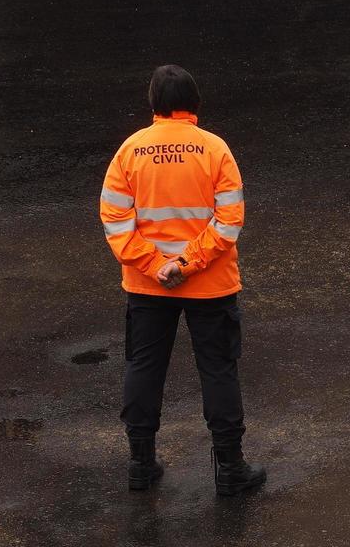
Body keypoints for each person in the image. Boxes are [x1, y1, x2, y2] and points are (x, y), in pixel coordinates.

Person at [99, 64, 266, 496]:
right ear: (195, 103)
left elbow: (115, 221)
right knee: (218, 371)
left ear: (153, 104)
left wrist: (157, 266)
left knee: (144, 368)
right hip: (211, 285)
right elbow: (230, 220)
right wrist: (187, 262)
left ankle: (140, 465)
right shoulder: (215, 150)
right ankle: (230, 468)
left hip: (147, 287)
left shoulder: (130, 151)